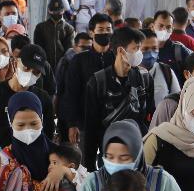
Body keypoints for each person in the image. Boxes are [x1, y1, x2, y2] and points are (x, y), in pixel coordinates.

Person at [0, 45, 53, 181]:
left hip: (31, 172)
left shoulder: (43, 99)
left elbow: (47, 137)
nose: (30, 74)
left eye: (36, 72)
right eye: (26, 68)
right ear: (15, 62)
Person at [82, 26, 155, 169]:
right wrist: (89, 166)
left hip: (139, 149)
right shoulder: (98, 82)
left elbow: (150, 116)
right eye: (136, 48)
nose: (140, 53)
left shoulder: (145, 78)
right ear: (121, 50)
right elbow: (91, 126)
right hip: (110, 152)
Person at [59, 13, 115, 151]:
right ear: (92, 32)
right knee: (86, 165)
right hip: (85, 123)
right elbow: (71, 93)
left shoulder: (117, 58)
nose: (105, 33)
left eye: (108, 29)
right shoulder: (79, 60)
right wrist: (72, 124)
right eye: (101, 30)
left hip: (112, 123)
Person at [140, 29, 181, 111]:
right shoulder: (128, 73)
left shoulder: (166, 71)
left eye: (154, 48)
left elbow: (178, 102)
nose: (151, 53)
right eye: (145, 49)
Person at [33, 0, 74, 66]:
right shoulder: (40, 27)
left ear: (63, 11)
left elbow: (68, 50)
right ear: (49, 11)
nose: (56, 13)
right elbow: (38, 48)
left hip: (62, 66)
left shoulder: (69, 28)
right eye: (54, 11)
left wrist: (63, 65)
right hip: (45, 64)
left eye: (58, 11)